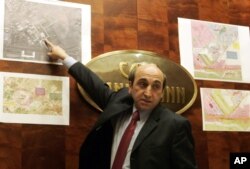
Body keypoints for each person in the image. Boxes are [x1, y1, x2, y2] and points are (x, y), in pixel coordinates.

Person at [44, 39, 197, 169]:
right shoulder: (118, 102)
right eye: (142, 84)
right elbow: (93, 84)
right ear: (130, 87)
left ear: (162, 92)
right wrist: (64, 57)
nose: (148, 93)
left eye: (156, 86)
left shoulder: (176, 125)